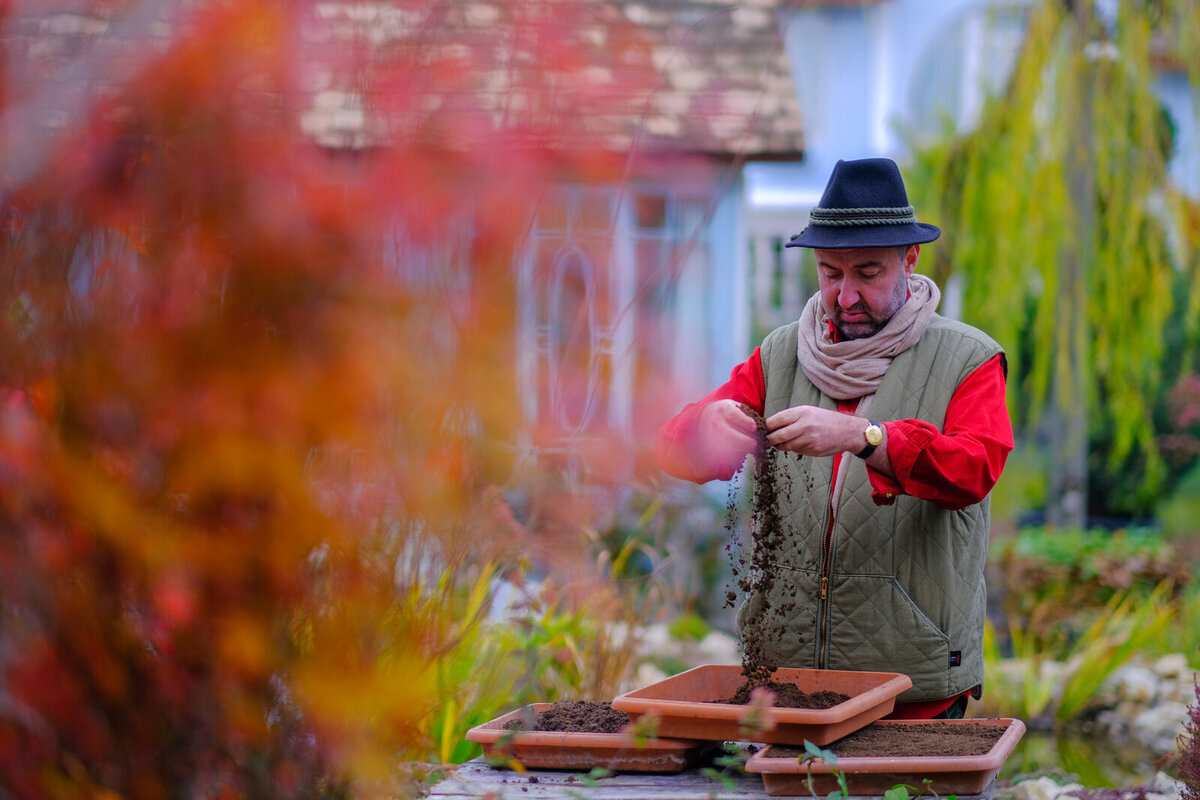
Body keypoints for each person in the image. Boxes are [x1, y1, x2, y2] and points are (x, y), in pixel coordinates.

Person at [656, 157, 1013, 719]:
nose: (845, 296)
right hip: (786, 682)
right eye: (830, 273)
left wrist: (864, 437)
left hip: (909, 685)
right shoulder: (779, 354)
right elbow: (676, 450)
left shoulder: (968, 358)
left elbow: (975, 469)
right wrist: (706, 425)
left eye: (868, 273)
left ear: (909, 259)